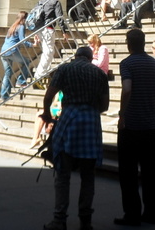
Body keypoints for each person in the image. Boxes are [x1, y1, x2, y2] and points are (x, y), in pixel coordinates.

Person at [41, 46, 110, 230]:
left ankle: (59, 220)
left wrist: (47, 114)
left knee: (63, 175)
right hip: (91, 123)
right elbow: (105, 105)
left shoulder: (64, 69)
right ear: (89, 58)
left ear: (76, 56)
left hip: (68, 121)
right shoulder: (99, 74)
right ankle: (85, 221)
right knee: (88, 177)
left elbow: (49, 96)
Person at [115, 29, 155, 226]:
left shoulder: (127, 63)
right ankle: (152, 212)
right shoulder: (154, 64)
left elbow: (127, 89)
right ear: (144, 43)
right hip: (149, 125)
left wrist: (122, 114)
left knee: (128, 172)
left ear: (129, 44)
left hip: (131, 125)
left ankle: (132, 214)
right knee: (149, 169)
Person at [33, 0, 68, 82]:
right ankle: (38, 76)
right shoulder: (55, 2)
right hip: (48, 29)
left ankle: (44, 72)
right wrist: (64, 31)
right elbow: (59, 17)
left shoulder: (40, 1)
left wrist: (35, 31)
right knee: (48, 52)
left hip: (40, 29)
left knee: (48, 52)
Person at [0, 11, 33, 100]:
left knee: (8, 74)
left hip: (3, 52)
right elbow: (22, 40)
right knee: (26, 62)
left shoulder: (12, 27)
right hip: (12, 51)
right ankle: (21, 81)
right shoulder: (21, 26)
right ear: (24, 19)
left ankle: (4, 96)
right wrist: (32, 45)